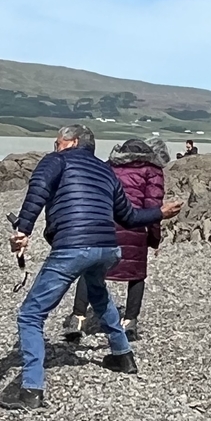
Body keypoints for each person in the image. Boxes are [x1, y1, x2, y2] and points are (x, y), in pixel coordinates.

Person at [4, 125, 180, 411]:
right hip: (108, 248)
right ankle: (122, 355)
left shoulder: (56, 160)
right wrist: (158, 212)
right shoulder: (105, 170)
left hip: (73, 246)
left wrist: (23, 230)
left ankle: (31, 390)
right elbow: (128, 216)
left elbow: (38, 190)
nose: (55, 146)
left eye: (58, 142)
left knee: (30, 315)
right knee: (98, 294)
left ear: (72, 142)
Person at [62, 137, 167, 342]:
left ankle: (78, 317)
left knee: (90, 269)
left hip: (103, 224)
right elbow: (154, 207)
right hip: (135, 225)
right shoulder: (152, 170)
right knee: (136, 274)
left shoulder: (108, 166)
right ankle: (129, 322)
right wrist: (154, 238)